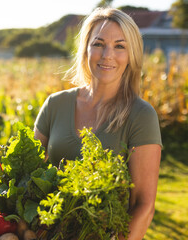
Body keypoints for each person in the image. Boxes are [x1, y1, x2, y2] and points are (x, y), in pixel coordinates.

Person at [34, 7, 162, 240]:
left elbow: (143, 206)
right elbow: (29, 178)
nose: (107, 55)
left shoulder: (141, 116)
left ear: (131, 55)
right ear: (85, 49)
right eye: (99, 44)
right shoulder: (55, 104)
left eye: (120, 46)